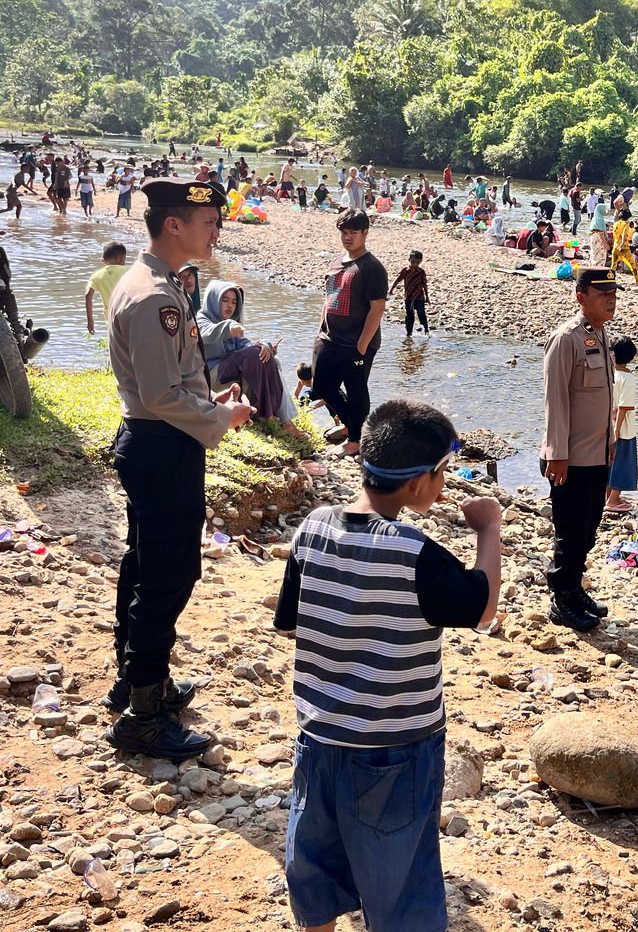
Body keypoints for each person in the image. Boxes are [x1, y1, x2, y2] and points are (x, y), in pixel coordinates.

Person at [276, 399, 500, 932]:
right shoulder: (414, 552)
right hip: (396, 749)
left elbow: (291, 620)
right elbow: (483, 606)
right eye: (442, 474)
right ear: (419, 482)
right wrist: (488, 530)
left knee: (316, 861)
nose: (444, 485)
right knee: (399, 878)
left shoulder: (312, 529)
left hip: (320, 737)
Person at [105, 178, 255, 759]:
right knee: (167, 576)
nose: (215, 230)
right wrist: (221, 418)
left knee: (144, 563)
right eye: (207, 220)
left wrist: (210, 402)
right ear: (174, 224)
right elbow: (162, 395)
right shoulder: (153, 295)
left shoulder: (154, 282)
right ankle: (144, 714)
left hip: (158, 438)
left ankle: (138, 679)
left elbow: (170, 382)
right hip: (162, 444)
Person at [540, 268, 618, 631]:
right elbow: (555, 400)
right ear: (581, 297)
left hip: (597, 454)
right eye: (602, 293)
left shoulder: (600, 335)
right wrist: (557, 452)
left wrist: (611, 442)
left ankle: (573, 587)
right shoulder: (566, 338)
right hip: (569, 458)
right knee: (570, 530)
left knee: (588, 529)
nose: (611, 298)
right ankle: (562, 598)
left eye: (614, 292)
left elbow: (604, 399)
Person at [312, 210, 389, 456]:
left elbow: (377, 309)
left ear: (365, 233)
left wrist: (362, 346)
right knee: (321, 387)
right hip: (329, 337)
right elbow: (328, 298)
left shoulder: (372, 267)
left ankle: (355, 440)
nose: (348, 238)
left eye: (353, 233)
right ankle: (355, 427)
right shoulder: (337, 261)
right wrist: (319, 330)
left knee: (356, 390)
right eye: (344, 233)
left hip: (356, 342)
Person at [196, 282, 293, 426]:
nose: (230, 306)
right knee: (253, 354)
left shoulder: (230, 322)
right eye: (225, 300)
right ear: (213, 300)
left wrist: (265, 345)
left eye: (234, 302)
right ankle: (263, 414)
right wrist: (228, 326)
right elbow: (208, 333)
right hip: (210, 378)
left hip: (227, 373)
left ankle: (279, 415)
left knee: (265, 356)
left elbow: (246, 345)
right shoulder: (200, 319)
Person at [604, 339, 638, 514]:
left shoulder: (610, 375)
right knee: (623, 463)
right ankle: (613, 500)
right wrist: (617, 430)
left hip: (605, 425)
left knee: (610, 463)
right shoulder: (628, 378)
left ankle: (608, 495)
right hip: (623, 430)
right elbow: (624, 407)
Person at [84, 242, 129, 335]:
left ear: (103, 260)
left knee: (116, 345)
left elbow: (88, 295)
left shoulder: (97, 276)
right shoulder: (130, 271)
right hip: (130, 314)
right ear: (123, 258)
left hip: (111, 317)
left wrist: (90, 321)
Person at [390, 250, 430, 338]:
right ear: (409, 260)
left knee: (421, 313)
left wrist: (427, 297)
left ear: (420, 262)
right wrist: (391, 290)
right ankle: (409, 333)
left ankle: (426, 330)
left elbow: (424, 285)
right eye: (413, 262)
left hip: (419, 296)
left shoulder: (421, 272)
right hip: (409, 297)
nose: (415, 264)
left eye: (417, 262)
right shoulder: (405, 271)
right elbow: (398, 280)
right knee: (409, 315)